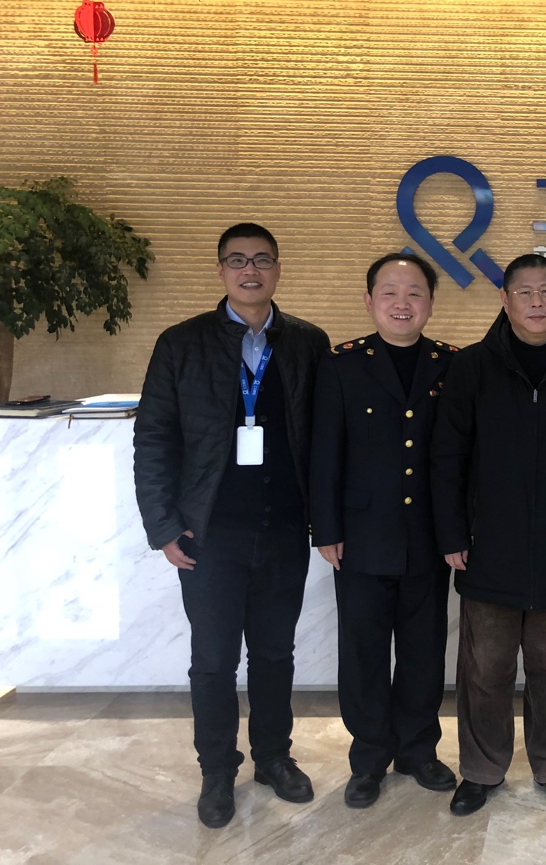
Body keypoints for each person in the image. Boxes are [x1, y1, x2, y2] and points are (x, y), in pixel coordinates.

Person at [133, 223, 329, 829]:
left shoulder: (307, 343)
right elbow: (154, 437)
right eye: (238, 260)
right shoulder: (181, 343)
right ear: (220, 270)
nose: (251, 270)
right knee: (214, 660)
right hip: (208, 534)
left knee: (274, 653)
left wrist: (325, 522)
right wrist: (164, 526)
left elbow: (326, 440)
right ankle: (217, 770)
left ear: (278, 269)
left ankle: (273, 757)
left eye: (262, 260)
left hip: (284, 527)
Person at [431, 253, 546, 817]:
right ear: (505, 299)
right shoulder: (472, 366)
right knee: (484, 669)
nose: (537, 302)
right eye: (524, 292)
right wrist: (452, 532)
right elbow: (447, 457)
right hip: (487, 547)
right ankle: (481, 771)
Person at [309, 253, 459, 809]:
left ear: (431, 303)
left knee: (424, 651)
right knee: (364, 653)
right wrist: (325, 527)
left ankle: (418, 750)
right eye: (390, 292)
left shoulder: (451, 364)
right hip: (361, 536)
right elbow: (324, 451)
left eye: (415, 292)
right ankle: (369, 758)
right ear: (369, 300)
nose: (402, 303)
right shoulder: (341, 364)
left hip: (428, 536)